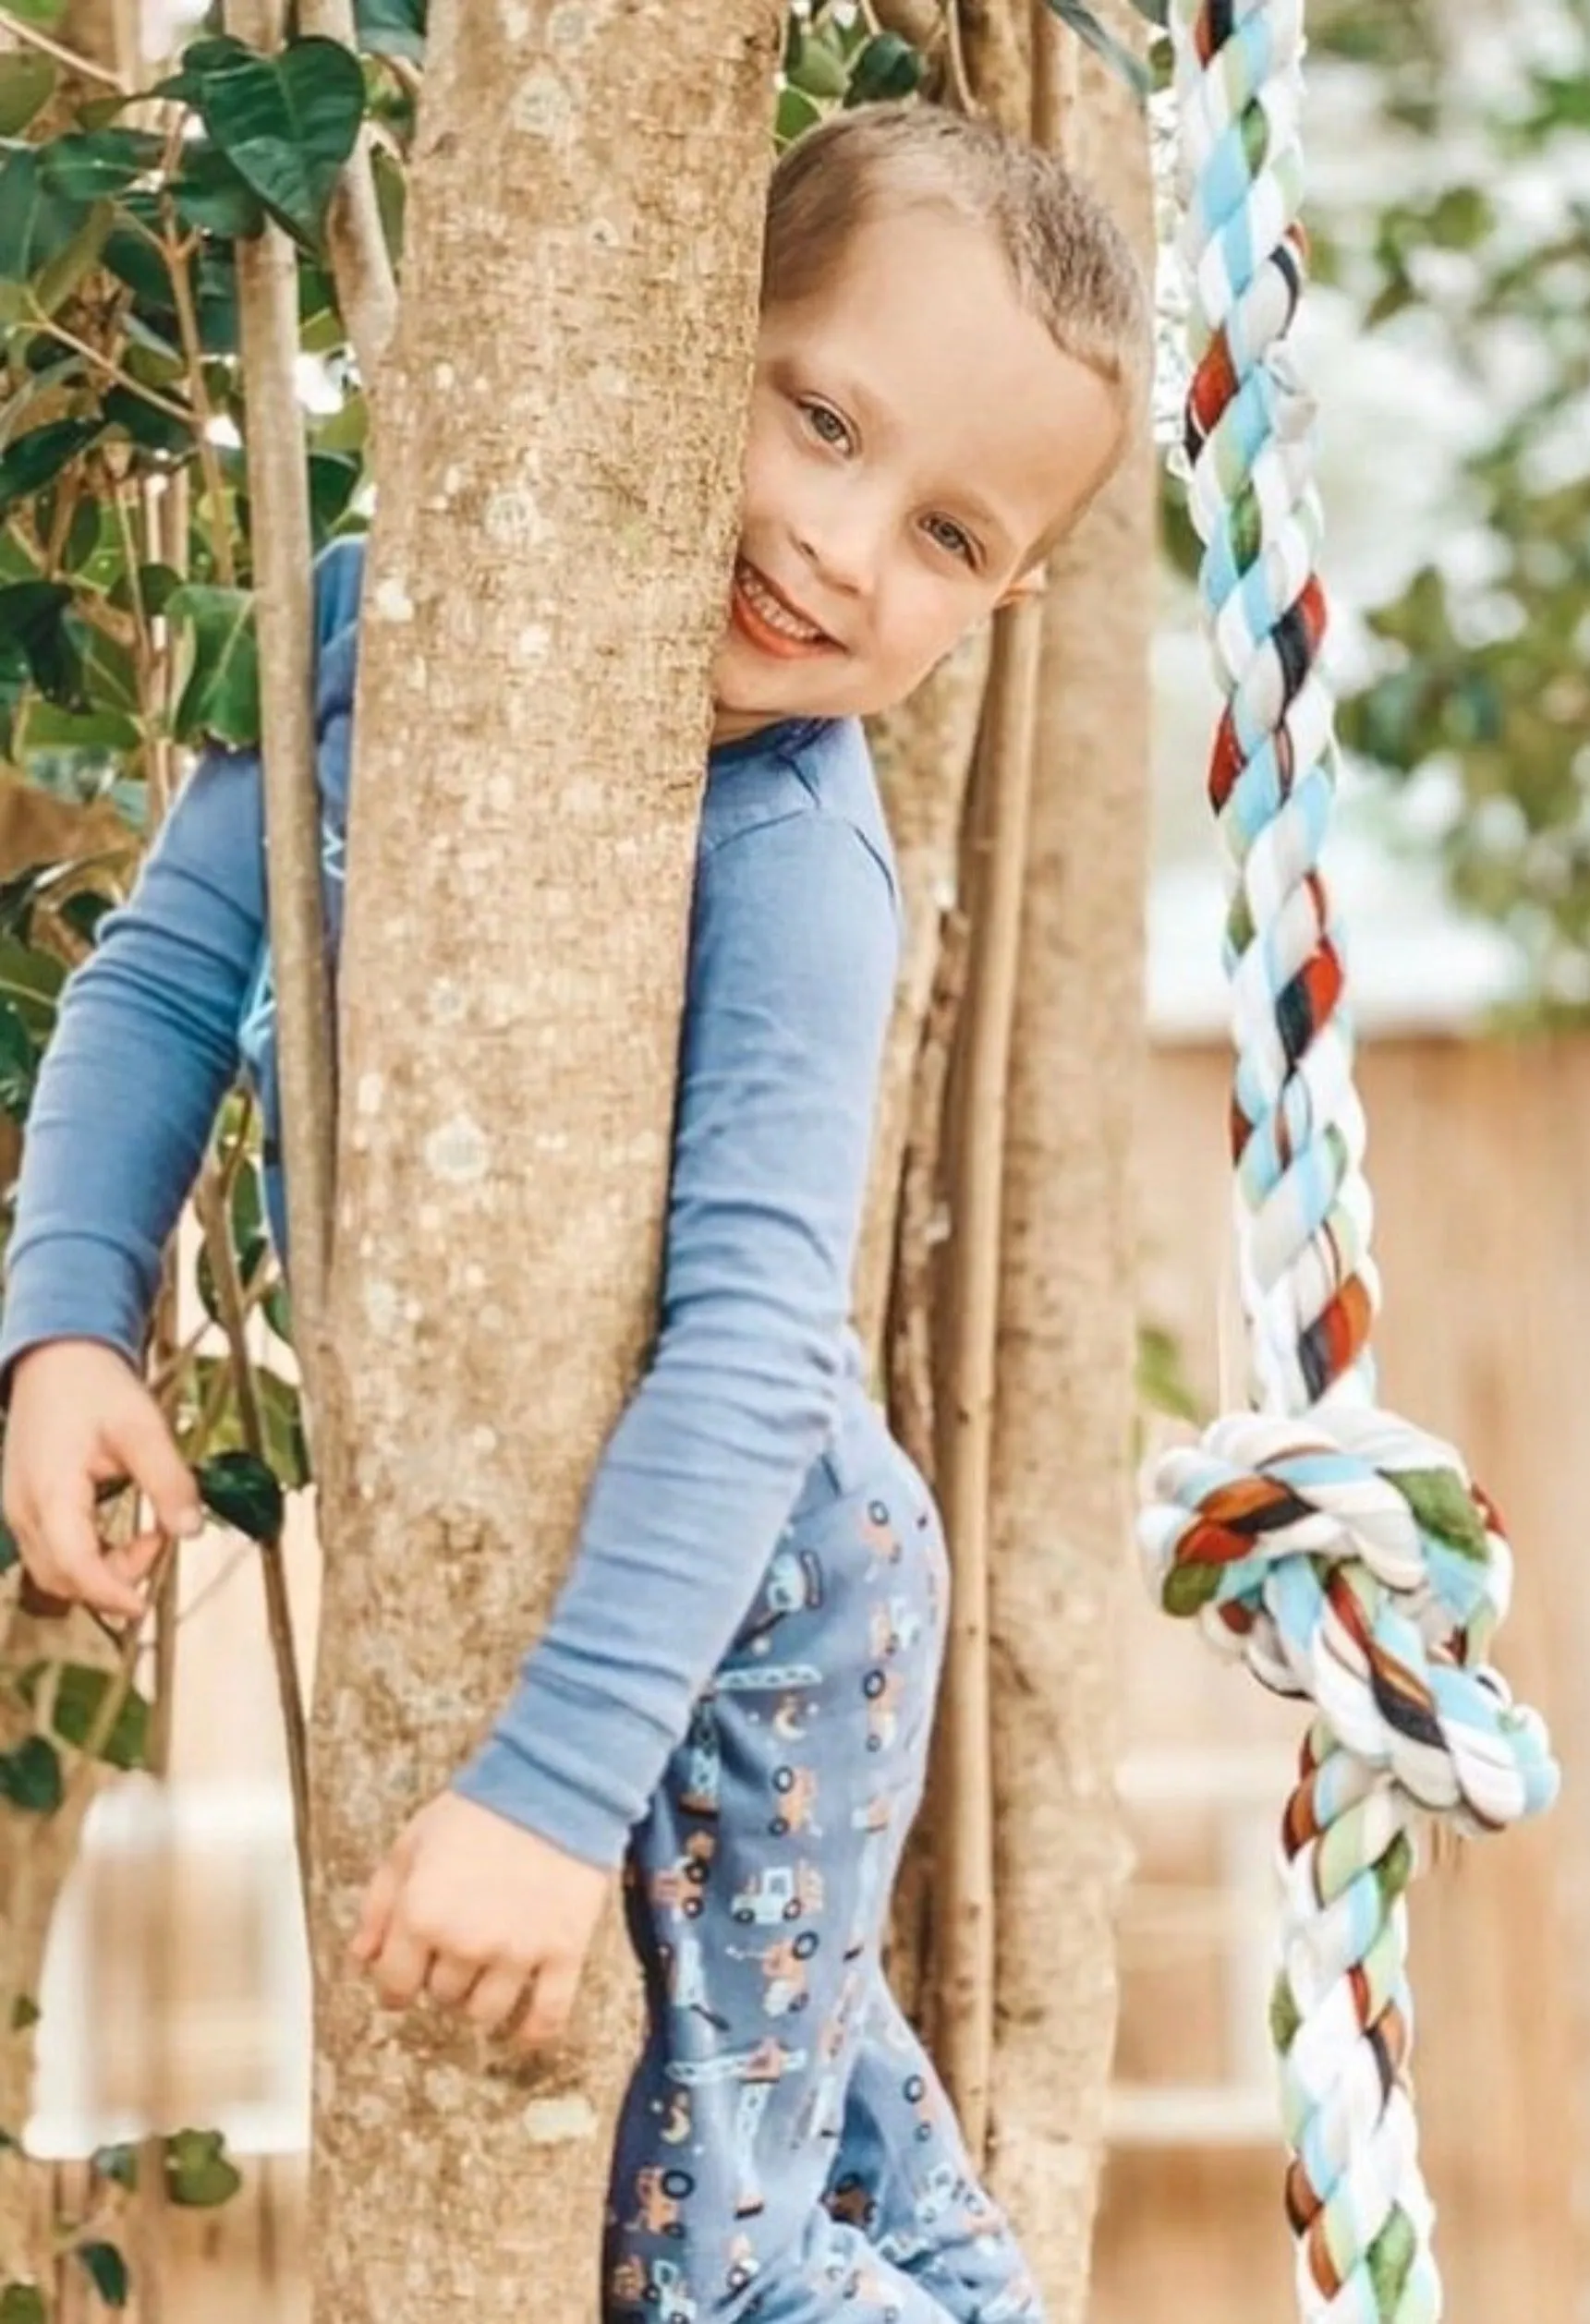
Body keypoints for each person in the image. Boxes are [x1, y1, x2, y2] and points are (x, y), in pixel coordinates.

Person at [0, 101, 1147, 2324]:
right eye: (816, 414)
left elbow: (747, 1344)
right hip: (656, 1567)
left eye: (940, 534)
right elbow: (161, 966)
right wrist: (69, 1327)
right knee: (800, 2137)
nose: (833, 543)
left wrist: (543, 1798)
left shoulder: (799, 862)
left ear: (999, 605)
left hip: (768, 1606)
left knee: (692, 2267)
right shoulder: (368, 615)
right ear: (671, 340)